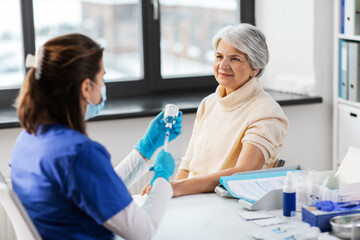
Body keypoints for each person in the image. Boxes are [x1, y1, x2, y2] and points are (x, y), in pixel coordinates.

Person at [10, 33, 182, 240]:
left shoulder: (28, 139)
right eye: (102, 78)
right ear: (85, 87)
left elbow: (98, 189)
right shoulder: (77, 153)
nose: (103, 86)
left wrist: (146, 148)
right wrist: (162, 179)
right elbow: (143, 231)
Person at [141, 23, 288, 197]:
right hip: (195, 200)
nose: (223, 66)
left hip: (226, 204)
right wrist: (171, 191)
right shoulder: (209, 103)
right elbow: (188, 165)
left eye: (234, 59)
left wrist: (177, 188)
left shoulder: (267, 113)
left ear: (255, 69)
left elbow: (244, 173)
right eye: (219, 56)